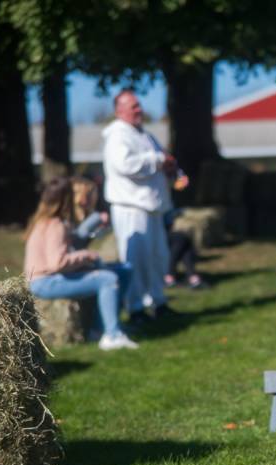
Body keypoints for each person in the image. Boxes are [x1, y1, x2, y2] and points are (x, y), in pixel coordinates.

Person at [102, 89, 188, 324]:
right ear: (119, 111)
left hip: (152, 206)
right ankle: (136, 308)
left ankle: (158, 302)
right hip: (130, 207)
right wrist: (158, 161)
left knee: (157, 257)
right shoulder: (118, 135)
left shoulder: (144, 135)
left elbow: (163, 159)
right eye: (133, 107)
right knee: (136, 259)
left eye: (139, 105)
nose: (139, 110)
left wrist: (174, 170)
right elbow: (125, 165)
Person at [24, 176, 138, 351]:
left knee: (122, 271)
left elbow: (73, 241)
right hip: (45, 282)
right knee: (107, 279)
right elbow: (57, 263)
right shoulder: (55, 225)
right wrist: (87, 256)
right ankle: (112, 335)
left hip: (47, 278)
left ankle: (103, 328)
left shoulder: (45, 221)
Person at [163, 209, 207, 290]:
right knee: (180, 238)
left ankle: (191, 278)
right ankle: (191, 278)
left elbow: (169, 222)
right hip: (154, 236)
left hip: (164, 233)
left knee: (183, 239)